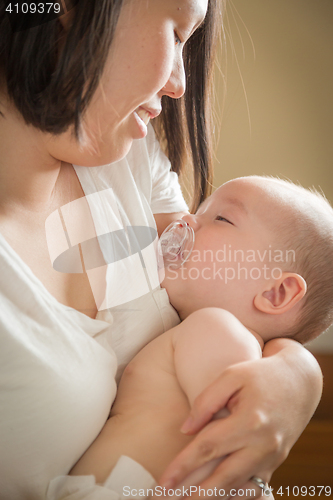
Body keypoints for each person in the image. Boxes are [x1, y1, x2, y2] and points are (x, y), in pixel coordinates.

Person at [0, 0, 323, 498]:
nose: (180, 84)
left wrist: (298, 374)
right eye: (176, 34)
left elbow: (260, 288)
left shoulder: (128, 152)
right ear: (66, 9)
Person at [46, 176, 333, 499]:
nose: (184, 219)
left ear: (276, 292)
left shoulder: (218, 329)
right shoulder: (212, 336)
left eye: (221, 218)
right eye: (200, 209)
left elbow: (228, 439)